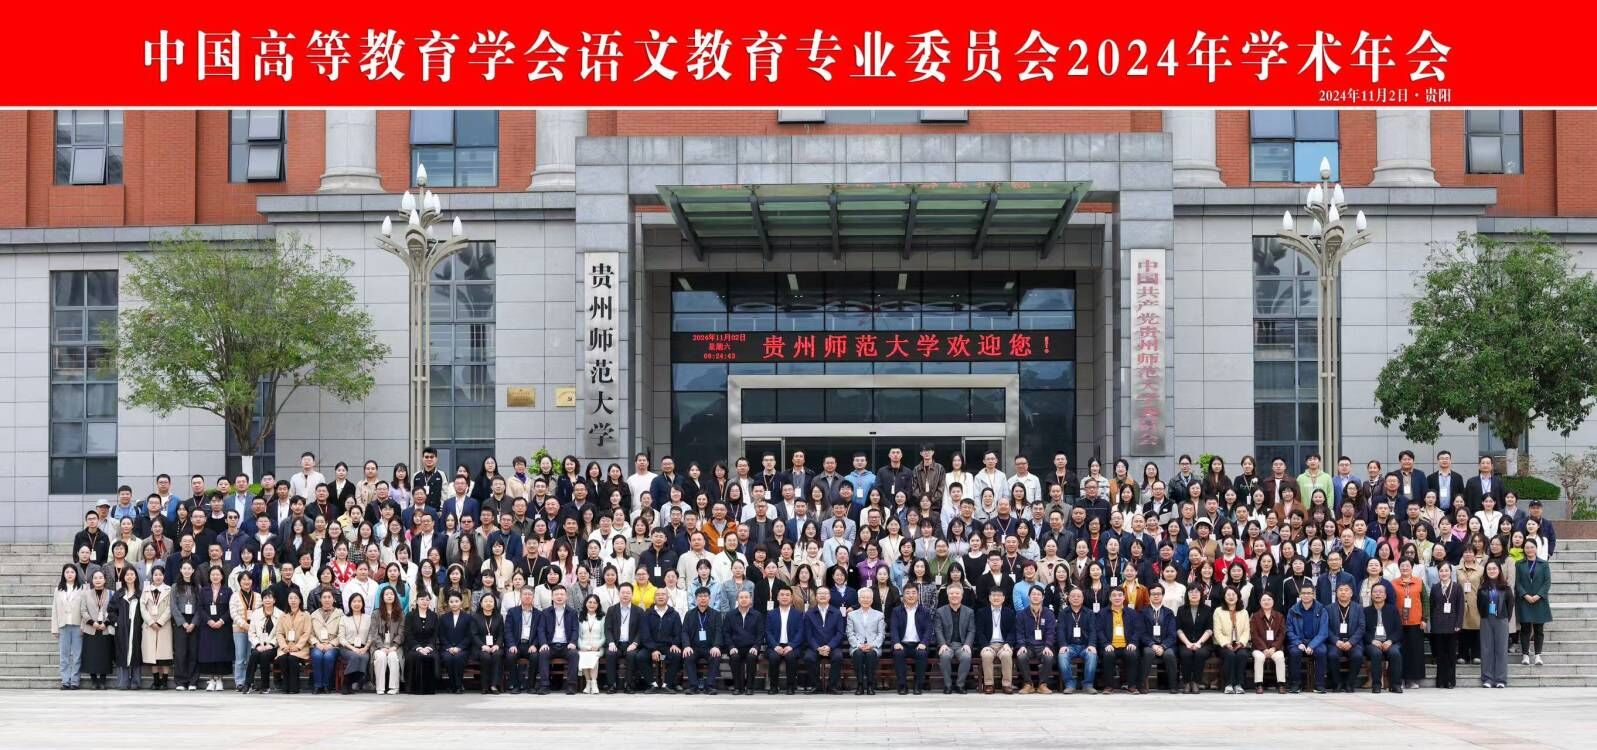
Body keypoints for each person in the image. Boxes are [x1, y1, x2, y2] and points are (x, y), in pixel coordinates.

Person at [680, 586, 724, 694]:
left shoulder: (716, 614)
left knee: (716, 656)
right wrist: (686, 646)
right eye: (700, 596)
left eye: (705, 596)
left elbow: (719, 631)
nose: (703, 598)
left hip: (710, 647)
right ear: (696, 599)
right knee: (688, 655)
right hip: (694, 647)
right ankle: (693, 686)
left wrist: (716, 646)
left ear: (709, 598)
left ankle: (709, 686)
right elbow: (684, 632)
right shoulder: (689, 614)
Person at [1515, 539, 1552, 666]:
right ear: (1524, 549)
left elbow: (1547, 582)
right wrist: (1525, 594)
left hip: (1539, 600)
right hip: (1524, 600)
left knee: (1539, 630)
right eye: (1527, 547)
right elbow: (1517, 582)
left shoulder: (1543, 564)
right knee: (1525, 629)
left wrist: (1538, 595)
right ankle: (1525, 655)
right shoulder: (1519, 564)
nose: (1529, 550)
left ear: (1536, 548)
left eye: (1532, 547)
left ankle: (1537, 655)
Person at [638, 588, 683, 693]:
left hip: (667, 648)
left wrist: (675, 644)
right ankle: (652, 684)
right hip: (650, 647)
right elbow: (645, 633)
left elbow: (678, 633)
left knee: (677, 656)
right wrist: (653, 649)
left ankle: (667, 684)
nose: (660, 596)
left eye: (663, 594)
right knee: (640, 657)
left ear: (667, 597)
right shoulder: (647, 613)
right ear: (654, 598)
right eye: (658, 594)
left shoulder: (674, 614)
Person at [196, 564, 233, 691]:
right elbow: (200, 608)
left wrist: (222, 621)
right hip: (208, 627)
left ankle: (220, 679)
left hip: (223, 627)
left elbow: (231, 609)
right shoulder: (204, 590)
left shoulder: (228, 591)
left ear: (222, 576)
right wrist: (209, 621)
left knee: (221, 653)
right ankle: (211, 679)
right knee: (209, 653)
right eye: (213, 574)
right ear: (209, 576)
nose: (215, 577)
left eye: (218, 574)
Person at [1286, 585, 1328, 694]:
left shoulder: (1321, 609)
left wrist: (1312, 645)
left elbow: (1323, 632)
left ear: (1314, 595)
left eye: (1309, 593)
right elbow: (1289, 631)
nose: (1306, 595)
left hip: (1316, 641)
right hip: (1298, 641)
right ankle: (1295, 684)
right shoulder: (1293, 610)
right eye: (1303, 593)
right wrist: (1298, 643)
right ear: (1300, 595)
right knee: (1294, 652)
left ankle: (1319, 684)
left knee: (1322, 652)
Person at [537, 587, 580, 694]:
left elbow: (575, 629)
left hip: (567, 645)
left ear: (566, 596)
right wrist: (543, 643)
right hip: (550, 645)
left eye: (562, 594)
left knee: (574, 654)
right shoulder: (545, 612)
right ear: (552, 597)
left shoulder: (572, 612)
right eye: (556, 594)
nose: (559, 596)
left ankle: (571, 686)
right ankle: (544, 686)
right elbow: (541, 629)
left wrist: (573, 642)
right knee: (543, 653)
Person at [802, 585, 844, 694]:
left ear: (829, 596)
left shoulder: (837, 612)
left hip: (832, 646)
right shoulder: (809, 613)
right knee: (808, 657)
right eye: (820, 593)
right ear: (816, 597)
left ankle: (832, 686)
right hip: (815, 647)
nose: (822, 596)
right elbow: (808, 634)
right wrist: (817, 648)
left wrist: (829, 646)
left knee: (838, 657)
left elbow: (840, 633)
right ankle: (817, 686)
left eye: (825, 593)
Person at [934, 583, 975, 693]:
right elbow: (938, 629)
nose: (954, 596)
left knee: (966, 656)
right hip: (947, 645)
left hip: (962, 645)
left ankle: (960, 685)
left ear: (962, 595)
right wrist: (942, 644)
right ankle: (947, 685)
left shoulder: (969, 612)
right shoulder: (940, 611)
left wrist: (967, 644)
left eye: (957, 593)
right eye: (951, 593)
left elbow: (971, 630)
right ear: (948, 596)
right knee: (945, 656)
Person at [1478, 560, 1512, 689]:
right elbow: (1479, 605)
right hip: (1486, 619)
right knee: (1486, 649)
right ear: (1486, 571)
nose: (1491, 571)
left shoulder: (1506, 588)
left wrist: (1505, 618)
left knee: (1501, 649)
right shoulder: (1482, 588)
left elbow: (1510, 606)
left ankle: (1500, 679)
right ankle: (1487, 678)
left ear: (1499, 570)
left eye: (1494, 568)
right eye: (1489, 569)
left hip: (1501, 619)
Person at [1015, 585, 1055, 694]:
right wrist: (1022, 645)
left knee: (1049, 656)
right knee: (1021, 656)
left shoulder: (1049, 614)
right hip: (1028, 646)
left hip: (1043, 646)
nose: (1036, 596)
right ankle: (1028, 684)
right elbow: (1019, 632)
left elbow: (1051, 632)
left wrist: (1048, 646)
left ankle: (1042, 684)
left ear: (1043, 597)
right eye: (1033, 594)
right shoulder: (1022, 614)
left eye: (1038, 594)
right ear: (1028, 597)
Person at [722, 589, 763, 695]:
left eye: (746, 597)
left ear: (750, 600)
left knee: (751, 657)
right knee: (735, 657)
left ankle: (749, 687)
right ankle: (737, 687)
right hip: (735, 647)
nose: (744, 599)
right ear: (737, 600)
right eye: (741, 597)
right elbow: (726, 633)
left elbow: (760, 633)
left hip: (751, 647)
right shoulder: (730, 615)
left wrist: (756, 646)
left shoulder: (757, 615)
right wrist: (731, 647)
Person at [1364, 582, 1403, 693]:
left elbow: (1398, 630)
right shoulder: (1365, 611)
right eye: (1375, 592)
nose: (1378, 594)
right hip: (1372, 643)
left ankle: (1395, 684)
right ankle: (1376, 685)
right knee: (1376, 653)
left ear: (1385, 595)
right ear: (1371, 595)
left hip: (1390, 642)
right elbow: (1362, 631)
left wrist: (1390, 641)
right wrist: (1372, 640)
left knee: (1395, 653)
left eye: (1381, 592)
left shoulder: (1393, 610)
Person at [139, 565, 174, 689]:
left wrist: (160, 622)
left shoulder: (169, 589)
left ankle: (164, 681)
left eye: (160, 574)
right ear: (152, 576)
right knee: (152, 654)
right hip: (150, 626)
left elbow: (170, 608)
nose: (158, 577)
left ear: (164, 576)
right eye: (155, 574)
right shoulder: (146, 590)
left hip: (164, 625)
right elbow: (142, 608)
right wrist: (150, 622)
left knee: (164, 654)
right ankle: (155, 681)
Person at [766, 586, 805, 694]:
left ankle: (791, 686)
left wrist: (791, 646)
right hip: (775, 645)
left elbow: (800, 632)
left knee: (791, 656)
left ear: (791, 598)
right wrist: (775, 646)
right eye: (782, 595)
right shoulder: (771, 613)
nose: (784, 597)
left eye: (787, 595)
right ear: (777, 597)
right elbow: (768, 632)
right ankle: (773, 686)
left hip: (792, 646)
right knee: (773, 657)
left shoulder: (798, 613)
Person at [846, 586, 885, 695]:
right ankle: (860, 685)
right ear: (859, 600)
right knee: (858, 654)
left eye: (868, 598)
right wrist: (859, 645)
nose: (865, 600)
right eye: (863, 597)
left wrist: (872, 645)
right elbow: (850, 633)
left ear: (872, 600)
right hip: (857, 646)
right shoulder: (851, 615)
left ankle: (870, 685)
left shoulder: (879, 615)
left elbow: (881, 634)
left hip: (873, 646)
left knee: (870, 654)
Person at [437, 592, 479, 694]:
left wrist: (459, 647)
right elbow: (441, 635)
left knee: (458, 658)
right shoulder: (443, 618)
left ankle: (458, 685)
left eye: (456, 601)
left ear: (461, 602)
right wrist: (449, 647)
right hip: (447, 648)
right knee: (448, 658)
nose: (454, 604)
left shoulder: (468, 617)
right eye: (451, 602)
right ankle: (454, 685)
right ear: (448, 603)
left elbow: (470, 635)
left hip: (463, 649)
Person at [368, 587, 406, 695]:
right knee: (381, 656)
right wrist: (381, 647)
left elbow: (402, 632)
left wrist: (395, 646)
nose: (389, 596)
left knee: (393, 656)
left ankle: (394, 687)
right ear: (382, 597)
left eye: (391, 594)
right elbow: (373, 632)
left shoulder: (400, 613)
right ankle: (380, 687)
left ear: (395, 597)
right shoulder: (376, 613)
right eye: (386, 594)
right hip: (378, 646)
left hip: (395, 646)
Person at [110, 566, 143, 690]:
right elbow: (111, 610)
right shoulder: (119, 594)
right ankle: (123, 682)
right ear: (123, 577)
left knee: (136, 653)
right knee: (122, 652)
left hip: (137, 629)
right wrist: (117, 622)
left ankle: (136, 681)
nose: (130, 577)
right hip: (122, 629)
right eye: (127, 574)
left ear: (136, 576)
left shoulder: (140, 594)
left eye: (132, 574)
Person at [53, 564, 85, 690]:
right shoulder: (58, 589)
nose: (70, 574)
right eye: (67, 572)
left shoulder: (82, 588)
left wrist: (83, 625)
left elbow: (84, 608)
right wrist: (55, 628)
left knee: (77, 655)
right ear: (63, 574)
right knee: (64, 655)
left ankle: (75, 681)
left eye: (72, 572)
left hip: (77, 625)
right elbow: (54, 610)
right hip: (63, 625)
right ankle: (65, 680)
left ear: (76, 574)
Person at [273, 590, 312, 695]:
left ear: (300, 600)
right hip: (286, 646)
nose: (293, 600)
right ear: (288, 600)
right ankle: (285, 684)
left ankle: (294, 686)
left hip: (301, 647)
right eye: (290, 598)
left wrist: (298, 646)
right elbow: (279, 633)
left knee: (292, 658)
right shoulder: (283, 615)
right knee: (283, 658)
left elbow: (307, 633)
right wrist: (283, 646)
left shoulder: (306, 615)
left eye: (295, 598)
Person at [1212, 586, 1249, 694]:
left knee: (1242, 655)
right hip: (1222, 645)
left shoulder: (1244, 612)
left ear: (1238, 596)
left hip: (1239, 644)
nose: (1231, 597)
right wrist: (1226, 643)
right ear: (1224, 597)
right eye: (1228, 595)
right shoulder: (1218, 611)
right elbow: (1217, 631)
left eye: (1233, 594)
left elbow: (1246, 631)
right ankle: (1229, 684)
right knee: (1230, 655)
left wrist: (1241, 643)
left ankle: (1239, 684)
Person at [169, 561, 200, 690]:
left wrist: (193, 623)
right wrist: (183, 623)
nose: (187, 571)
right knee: (180, 652)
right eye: (184, 568)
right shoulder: (175, 586)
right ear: (181, 570)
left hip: (194, 621)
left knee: (193, 651)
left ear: (193, 571)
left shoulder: (198, 587)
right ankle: (181, 681)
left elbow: (200, 607)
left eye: (189, 568)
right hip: (180, 621)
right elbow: (173, 606)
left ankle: (193, 681)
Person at [244, 590, 281, 693]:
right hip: (258, 645)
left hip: (273, 647)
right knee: (254, 654)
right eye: (265, 598)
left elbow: (280, 634)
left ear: (274, 600)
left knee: (265, 655)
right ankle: (248, 684)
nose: (267, 600)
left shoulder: (280, 614)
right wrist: (257, 645)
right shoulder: (256, 613)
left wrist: (271, 644)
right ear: (262, 600)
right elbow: (251, 633)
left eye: (270, 598)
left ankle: (265, 686)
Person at [1175, 586, 1211, 694]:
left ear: (1201, 594)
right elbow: (1179, 629)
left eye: (1196, 592)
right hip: (1184, 642)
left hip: (1203, 643)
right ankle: (1186, 682)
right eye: (1191, 592)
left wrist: (1199, 643)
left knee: (1200, 653)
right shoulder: (1181, 609)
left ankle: (1196, 682)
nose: (1194, 594)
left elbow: (1209, 629)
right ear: (1187, 594)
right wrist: (1188, 643)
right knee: (1186, 654)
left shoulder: (1207, 609)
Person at [1250, 591, 1287, 694]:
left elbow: (1282, 634)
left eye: (1269, 599)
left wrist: (1274, 647)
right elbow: (1254, 635)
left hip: (1275, 648)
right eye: (1264, 600)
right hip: (1259, 648)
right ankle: (1259, 684)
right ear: (1260, 602)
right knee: (1259, 657)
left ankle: (1281, 684)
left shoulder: (1279, 616)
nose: (1266, 602)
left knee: (1280, 657)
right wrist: (1264, 649)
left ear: (1273, 602)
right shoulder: (1255, 616)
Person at [404, 591, 440, 695]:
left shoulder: (433, 616)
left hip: (429, 646)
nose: (424, 602)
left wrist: (428, 647)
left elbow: (435, 634)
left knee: (431, 656)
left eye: (427, 599)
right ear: (417, 601)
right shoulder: (410, 615)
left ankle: (429, 688)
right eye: (422, 599)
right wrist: (418, 647)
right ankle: (414, 688)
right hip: (413, 646)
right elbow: (408, 634)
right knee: (415, 656)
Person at [339, 592, 372, 693]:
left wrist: (366, 648)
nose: (357, 604)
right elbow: (341, 638)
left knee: (364, 657)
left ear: (363, 604)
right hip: (347, 648)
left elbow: (371, 635)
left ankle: (353, 681)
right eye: (354, 601)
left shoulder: (368, 618)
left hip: (363, 648)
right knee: (355, 656)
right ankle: (346, 683)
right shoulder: (344, 618)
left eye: (359, 601)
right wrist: (353, 648)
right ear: (350, 604)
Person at [474, 594, 505, 694]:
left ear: (494, 604)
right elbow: (474, 635)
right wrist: (482, 646)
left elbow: (501, 634)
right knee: (486, 657)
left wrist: (497, 645)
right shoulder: (475, 617)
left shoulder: (499, 617)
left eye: (491, 601)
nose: (488, 603)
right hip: (480, 647)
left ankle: (494, 685)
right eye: (486, 601)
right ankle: (484, 686)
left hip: (495, 646)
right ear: (481, 604)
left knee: (497, 655)